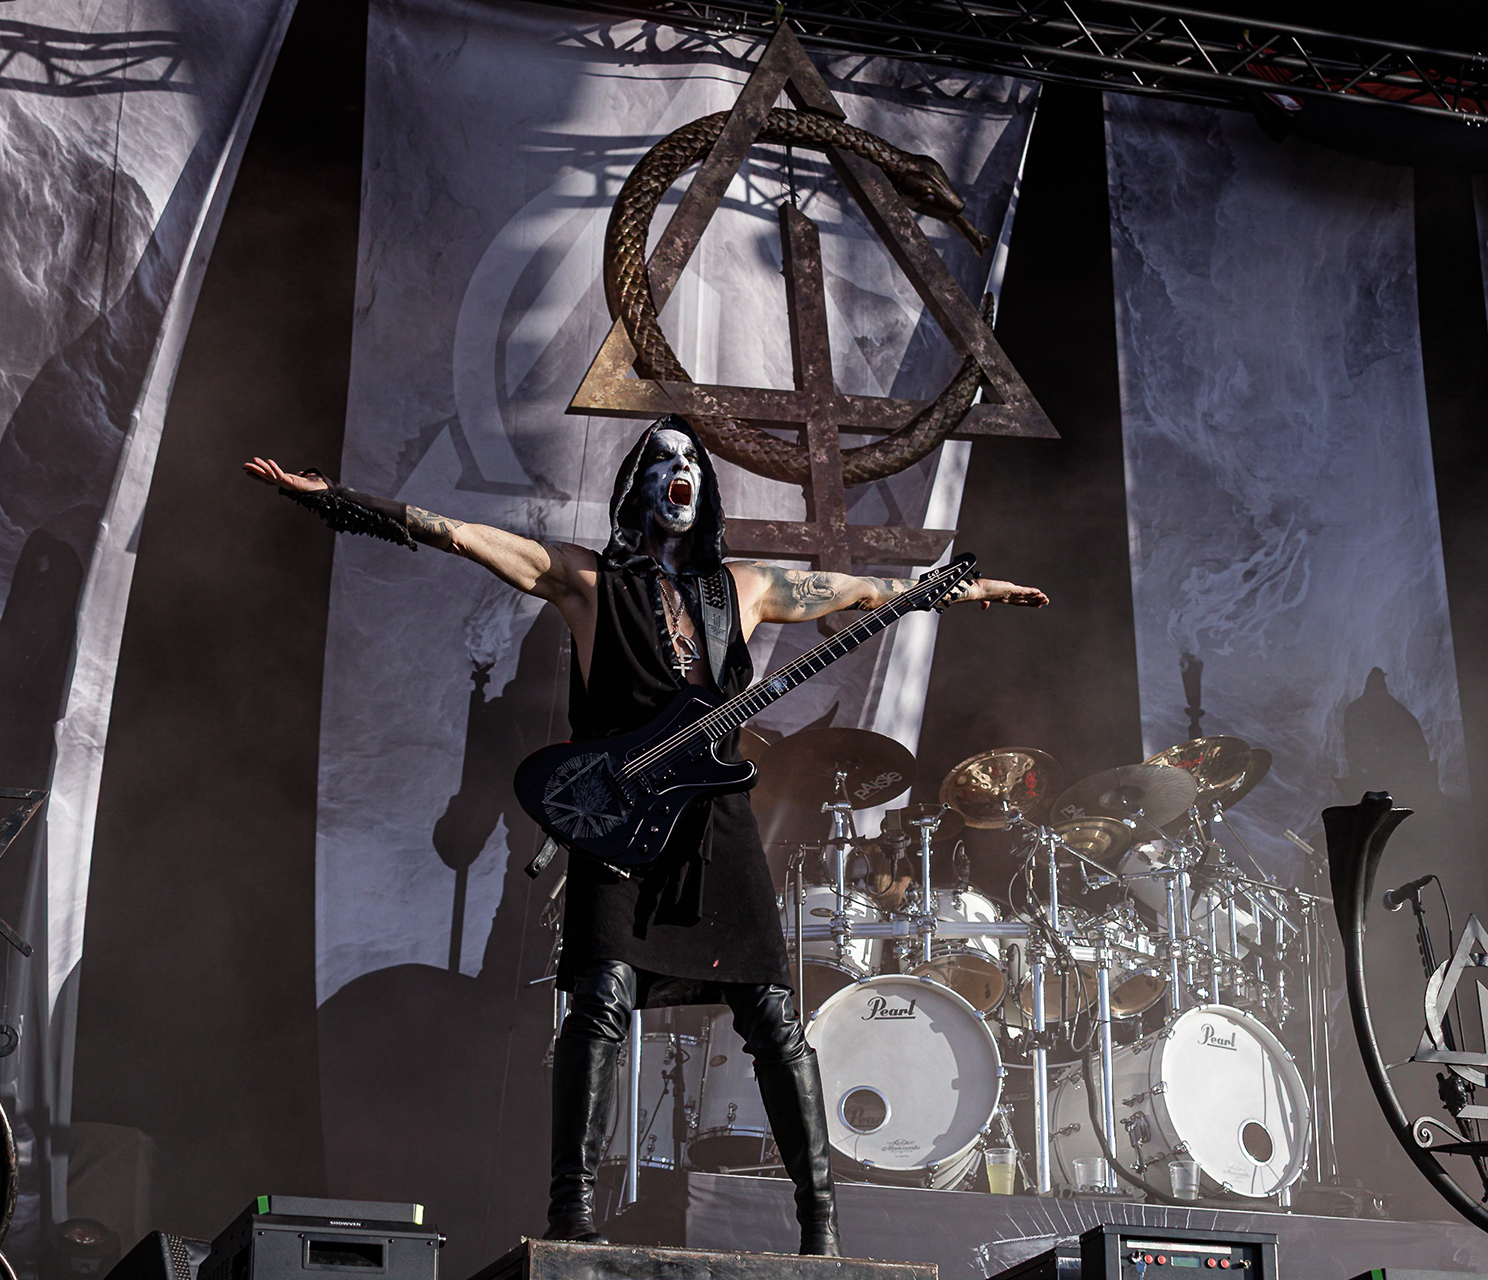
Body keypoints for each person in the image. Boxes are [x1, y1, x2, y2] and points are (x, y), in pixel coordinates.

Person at [246, 415, 1046, 1254]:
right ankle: (571, 1215)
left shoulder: (744, 588)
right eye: (662, 460)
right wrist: (337, 498)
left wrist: (974, 592)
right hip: (620, 821)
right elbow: (462, 535)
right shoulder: (587, 582)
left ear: (705, 490)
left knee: (774, 1017)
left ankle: (821, 1229)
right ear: (637, 488)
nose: (680, 470)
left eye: (692, 460)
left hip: (714, 823)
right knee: (598, 1005)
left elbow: (865, 592)